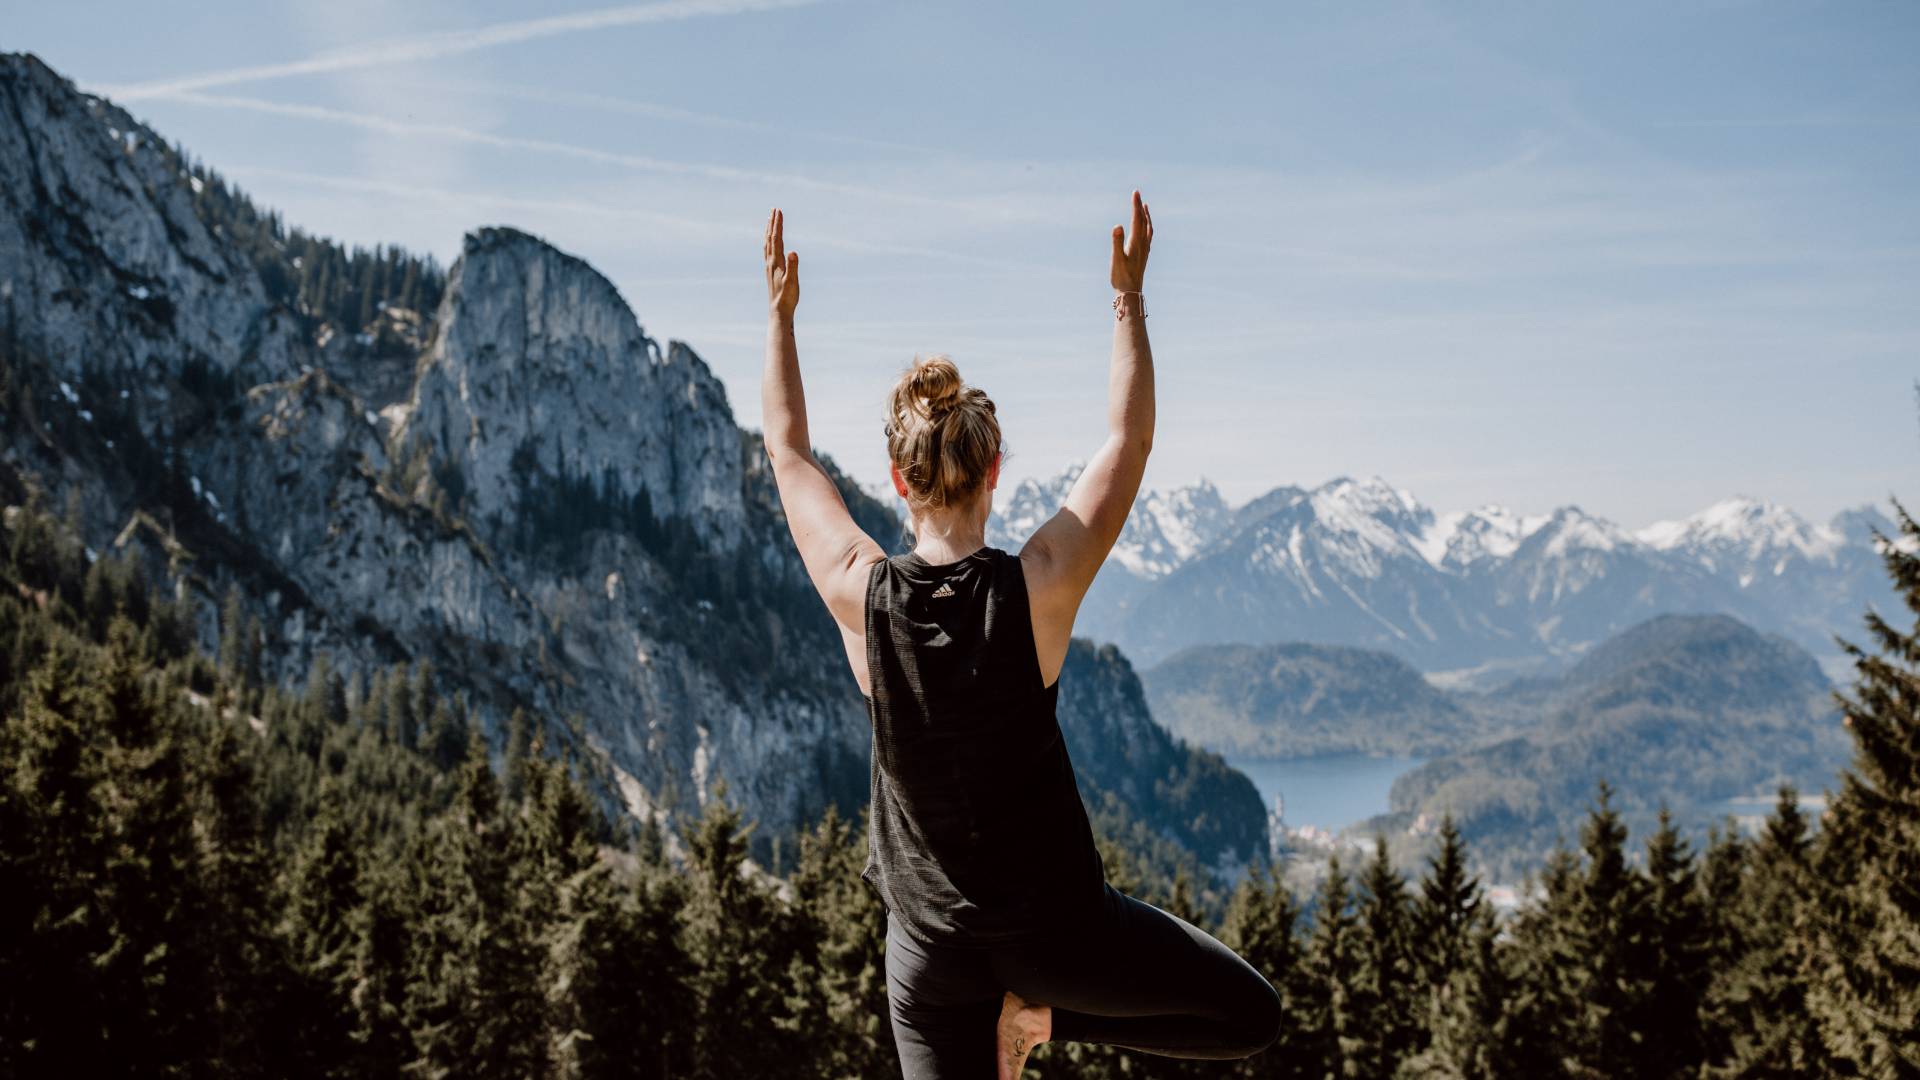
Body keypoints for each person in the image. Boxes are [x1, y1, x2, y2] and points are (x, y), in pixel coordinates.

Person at [760, 193, 1281, 1079]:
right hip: (1057, 936)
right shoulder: (1037, 587)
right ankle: (1039, 1019)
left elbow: (788, 452)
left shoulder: (861, 595)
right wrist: (1129, 300)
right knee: (1248, 1016)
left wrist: (780, 315)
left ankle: (1025, 1013)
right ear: (995, 469)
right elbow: (1131, 438)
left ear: (897, 477)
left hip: (930, 956)